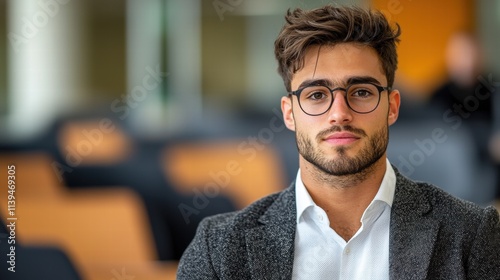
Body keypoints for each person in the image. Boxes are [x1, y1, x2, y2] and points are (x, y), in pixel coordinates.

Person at [177, 5, 500, 279]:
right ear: (289, 114)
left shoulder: (472, 234)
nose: (339, 114)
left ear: (393, 106)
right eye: (316, 95)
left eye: (360, 92)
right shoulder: (218, 248)